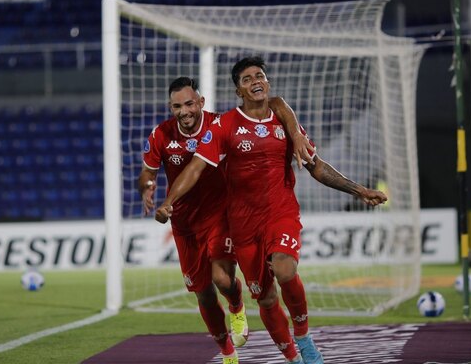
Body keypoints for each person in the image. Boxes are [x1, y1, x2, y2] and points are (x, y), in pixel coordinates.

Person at [155, 57, 387, 364]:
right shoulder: (224, 126)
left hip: (280, 213)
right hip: (242, 225)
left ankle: (304, 339)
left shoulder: (286, 122)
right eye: (247, 78)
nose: (255, 81)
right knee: (264, 297)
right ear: (238, 90)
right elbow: (196, 168)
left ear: (268, 82)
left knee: (285, 269)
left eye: (259, 75)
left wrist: (358, 190)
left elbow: (316, 166)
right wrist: (169, 200)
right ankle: (292, 357)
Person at [139, 76, 313, 364]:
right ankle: (228, 354)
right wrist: (148, 189)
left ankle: (236, 306)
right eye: (177, 106)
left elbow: (275, 104)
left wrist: (294, 132)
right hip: (184, 225)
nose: (184, 111)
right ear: (171, 109)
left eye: (189, 104)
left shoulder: (220, 124)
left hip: (221, 216)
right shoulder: (161, 135)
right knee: (204, 295)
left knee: (222, 278)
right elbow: (147, 174)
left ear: (201, 103)